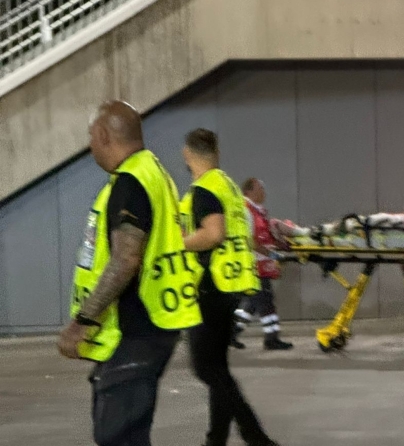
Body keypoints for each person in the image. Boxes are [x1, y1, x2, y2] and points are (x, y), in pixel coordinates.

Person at [57, 101, 203, 446]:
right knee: (128, 433)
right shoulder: (152, 172)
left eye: (91, 137)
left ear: (103, 135)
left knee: (116, 436)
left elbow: (125, 260)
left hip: (137, 329)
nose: (91, 146)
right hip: (154, 326)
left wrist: (83, 322)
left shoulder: (131, 182)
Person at [180, 128, 279, 446]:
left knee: (206, 369)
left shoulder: (204, 190)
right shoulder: (228, 187)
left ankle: (256, 437)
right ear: (217, 153)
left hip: (209, 286)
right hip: (230, 283)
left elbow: (213, 234)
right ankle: (216, 439)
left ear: (187, 154)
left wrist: (178, 242)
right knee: (218, 368)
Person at [235, 177, 294, 350]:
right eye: (260, 189)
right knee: (266, 302)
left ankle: (231, 333)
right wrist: (273, 255)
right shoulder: (246, 211)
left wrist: (281, 246)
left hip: (260, 264)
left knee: (252, 304)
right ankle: (271, 338)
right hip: (254, 265)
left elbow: (264, 237)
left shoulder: (257, 211)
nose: (264, 192)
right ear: (249, 191)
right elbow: (249, 241)